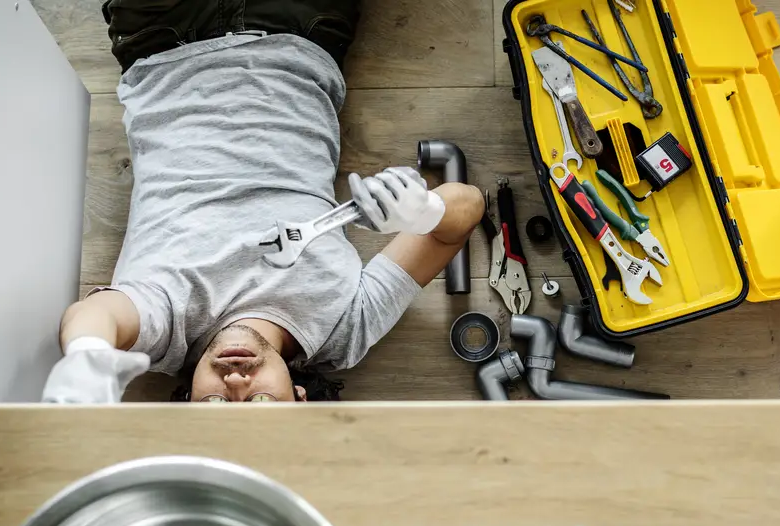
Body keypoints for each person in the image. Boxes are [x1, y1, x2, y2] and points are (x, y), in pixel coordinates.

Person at [42, 0, 484, 403]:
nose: (234, 382)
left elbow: (98, 314)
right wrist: (426, 212)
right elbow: (466, 206)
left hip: (161, 38)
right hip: (300, 29)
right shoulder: (345, 328)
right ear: (298, 397)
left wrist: (86, 354)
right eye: (258, 402)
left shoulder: (163, 331)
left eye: (214, 403)